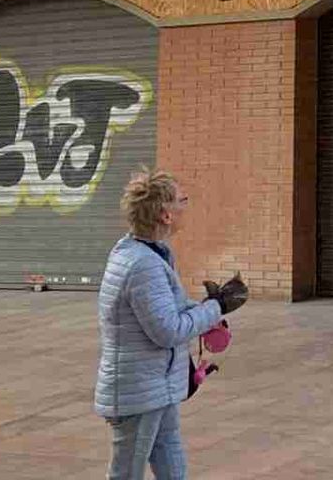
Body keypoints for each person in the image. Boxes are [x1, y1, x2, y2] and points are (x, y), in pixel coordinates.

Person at [94, 169, 248, 480]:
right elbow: (168, 331)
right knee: (126, 472)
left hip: (156, 384)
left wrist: (204, 309)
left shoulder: (147, 252)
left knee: (169, 453)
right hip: (138, 390)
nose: (185, 207)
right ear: (166, 215)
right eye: (183, 201)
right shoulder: (142, 264)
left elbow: (171, 309)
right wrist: (216, 308)